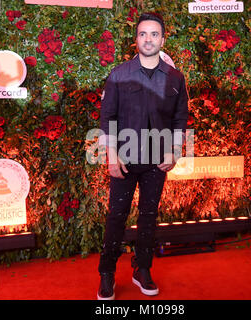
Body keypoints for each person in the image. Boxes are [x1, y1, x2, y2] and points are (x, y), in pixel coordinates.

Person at [97, 12, 189, 300]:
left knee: (149, 217)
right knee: (117, 216)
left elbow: (179, 119)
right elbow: (107, 117)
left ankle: (142, 269)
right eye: (142, 34)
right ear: (136, 39)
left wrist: (174, 152)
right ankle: (107, 273)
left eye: (154, 34)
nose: (148, 39)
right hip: (123, 159)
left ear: (163, 39)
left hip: (157, 161)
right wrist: (111, 156)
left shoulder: (175, 77)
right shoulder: (119, 74)